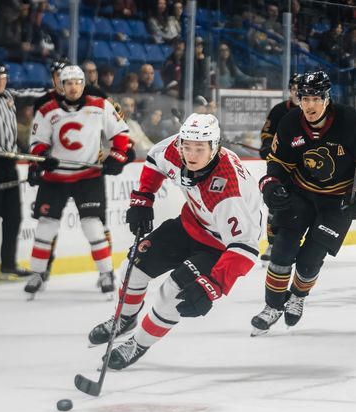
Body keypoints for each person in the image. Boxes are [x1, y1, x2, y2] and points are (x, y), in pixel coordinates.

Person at [88, 113, 261, 370]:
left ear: (215, 148)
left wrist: (214, 284)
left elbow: (246, 246)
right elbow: (154, 161)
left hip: (220, 247)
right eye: (187, 146)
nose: (190, 154)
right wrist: (143, 197)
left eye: (199, 149)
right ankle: (123, 319)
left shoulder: (227, 189)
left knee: (171, 294)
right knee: (132, 268)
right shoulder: (174, 149)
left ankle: (139, 343)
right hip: (190, 225)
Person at [251, 71, 356, 336]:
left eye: (315, 98)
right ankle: (272, 306)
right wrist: (272, 185)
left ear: (327, 98)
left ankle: (297, 297)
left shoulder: (350, 121)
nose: (309, 105)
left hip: (337, 203)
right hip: (301, 195)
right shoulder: (289, 123)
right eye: (304, 98)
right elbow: (277, 163)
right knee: (282, 251)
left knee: (309, 261)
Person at [24, 65, 134, 297]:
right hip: (55, 178)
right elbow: (37, 142)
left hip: (88, 177)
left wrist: (117, 157)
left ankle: (106, 274)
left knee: (93, 225)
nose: (73, 87)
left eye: (77, 82)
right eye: (68, 83)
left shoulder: (99, 105)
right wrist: (42, 159)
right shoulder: (47, 110)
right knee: (46, 225)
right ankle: (37, 273)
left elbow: (121, 134)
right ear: (61, 86)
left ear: (83, 84)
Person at [0, 62, 32, 282]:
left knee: (13, 216)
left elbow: (35, 93)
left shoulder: (8, 97)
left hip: (10, 163)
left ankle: (8, 265)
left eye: (3, 77)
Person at [259, 73, 301, 264]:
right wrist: (268, 146)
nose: (296, 92)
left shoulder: (314, 112)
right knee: (275, 202)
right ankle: (272, 243)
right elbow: (267, 132)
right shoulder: (279, 110)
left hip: (304, 169)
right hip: (283, 166)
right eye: (293, 87)